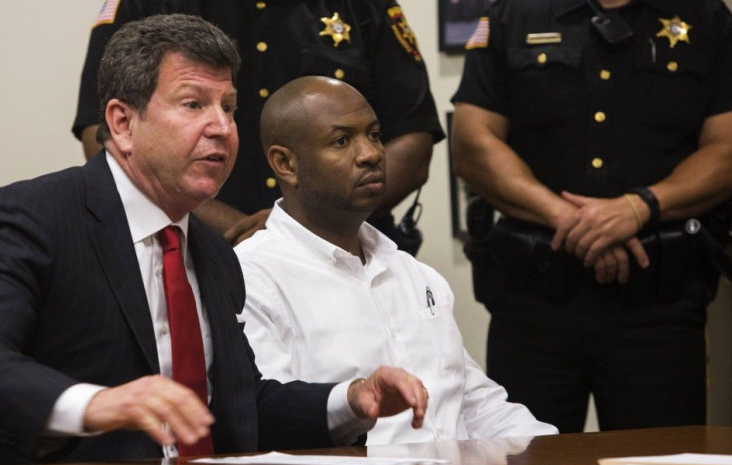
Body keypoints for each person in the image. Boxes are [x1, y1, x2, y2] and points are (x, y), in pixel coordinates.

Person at [0, 14, 429, 465]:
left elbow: (238, 411)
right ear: (122, 123)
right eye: (193, 105)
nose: (221, 126)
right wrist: (94, 404)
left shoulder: (217, 255)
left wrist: (351, 398)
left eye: (228, 107)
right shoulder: (34, 219)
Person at [451, 0, 732, 433]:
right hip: (535, 304)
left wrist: (639, 207)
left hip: (661, 307)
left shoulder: (706, 17)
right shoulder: (514, 13)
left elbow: (726, 149)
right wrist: (569, 218)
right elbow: (472, 142)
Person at [234, 76, 557, 445]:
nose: (371, 153)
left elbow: (472, 403)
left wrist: (561, 458)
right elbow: (268, 418)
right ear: (285, 164)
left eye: (374, 134)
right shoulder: (251, 276)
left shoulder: (414, 274)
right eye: (342, 141)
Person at [72, 0, 445, 251]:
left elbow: (412, 141)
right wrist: (239, 232)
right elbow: (105, 136)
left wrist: (304, 227)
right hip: (190, 249)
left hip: (347, 251)